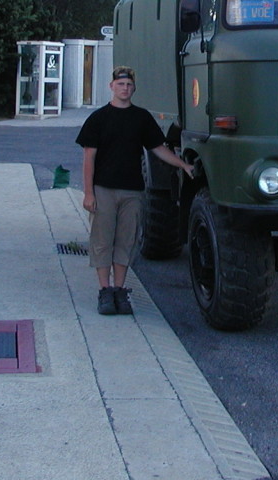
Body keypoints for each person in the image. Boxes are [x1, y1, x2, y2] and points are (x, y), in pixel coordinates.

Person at [76, 66, 194, 315]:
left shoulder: (141, 118)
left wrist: (183, 164)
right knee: (102, 241)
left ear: (134, 88)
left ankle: (120, 290)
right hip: (103, 190)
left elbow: (158, 148)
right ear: (111, 87)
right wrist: (88, 193)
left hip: (132, 191)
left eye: (129, 85)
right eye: (120, 85)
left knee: (126, 242)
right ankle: (105, 291)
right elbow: (89, 158)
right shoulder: (98, 119)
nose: (125, 89)